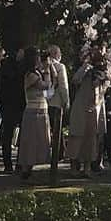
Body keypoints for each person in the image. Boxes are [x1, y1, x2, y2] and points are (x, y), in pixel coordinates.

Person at [67, 49, 108, 175]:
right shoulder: (86, 69)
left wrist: (105, 79)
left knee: (92, 139)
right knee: (77, 137)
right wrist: (85, 66)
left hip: (95, 107)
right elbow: (75, 80)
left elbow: (104, 89)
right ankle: (74, 167)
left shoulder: (104, 72)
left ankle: (87, 168)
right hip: (81, 106)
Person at [16, 47, 52, 179]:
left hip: (41, 109)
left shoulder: (36, 72)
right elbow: (45, 85)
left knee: (39, 139)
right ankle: (26, 168)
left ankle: (31, 167)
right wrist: (47, 70)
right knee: (31, 140)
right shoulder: (30, 75)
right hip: (33, 110)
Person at [0, 47, 27, 174]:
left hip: (14, 102)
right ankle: (10, 164)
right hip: (12, 102)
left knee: (11, 134)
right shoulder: (11, 66)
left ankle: (14, 163)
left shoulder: (12, 65)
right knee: (10, 134)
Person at [45, 45, 70, 175]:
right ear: (57, 54)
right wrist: (66, 102)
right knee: (57, 129)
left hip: (45, 102)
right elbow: (63, 86)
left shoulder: (43, 65)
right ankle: (59, 153)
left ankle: (57, 152)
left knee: (49, 129)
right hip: (56, 101)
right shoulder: (60, 67)